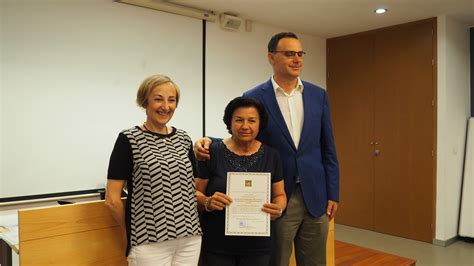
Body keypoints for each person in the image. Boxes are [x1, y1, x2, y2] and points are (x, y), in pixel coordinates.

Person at [195, 32, 339, 266]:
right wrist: (209, 140)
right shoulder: (254, 96)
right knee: (276, 260)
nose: (297, 59)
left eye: (300, 53)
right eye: (289, 53)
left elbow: (328, 147)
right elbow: (244, 134)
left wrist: (333, 191)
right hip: (276, 196)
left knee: (315, 261)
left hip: (316, 193)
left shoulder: (317, 95)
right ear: (271, 58)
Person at [105, 74, 202, 266]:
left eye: (171, 100)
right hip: (148, 242)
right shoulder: (129, 139)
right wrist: (129, 236)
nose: (165, 106)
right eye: (158, 99)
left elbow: (191, 188)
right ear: (145, 102)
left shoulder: (183, 138)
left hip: (190, 239)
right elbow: (112, 199)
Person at [196, 96, 287, 266]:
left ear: (260, 124)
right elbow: (195, 193)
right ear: (229, 122)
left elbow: (280, 194)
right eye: (239, 120)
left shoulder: (271, 155)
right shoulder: (212, 152)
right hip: (217, 243)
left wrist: (279, 208)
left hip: (258, 245)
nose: (245, 126)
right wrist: (207, 201)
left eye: (252, 120)